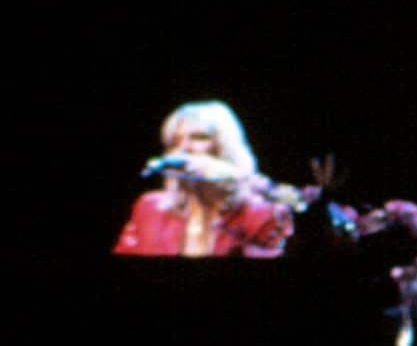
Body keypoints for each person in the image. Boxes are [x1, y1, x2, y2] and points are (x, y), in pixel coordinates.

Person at [114, 100, 292, 258]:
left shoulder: (260, 212)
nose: (183, 149)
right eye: (174, 142)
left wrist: (232, 179)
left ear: (225, 148)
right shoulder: (149, 207)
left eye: (198, 137)